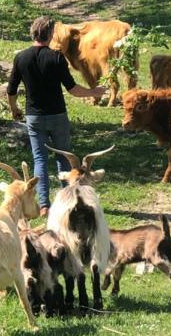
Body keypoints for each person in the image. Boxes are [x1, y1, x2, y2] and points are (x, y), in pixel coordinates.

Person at [7, 16, 106, 216]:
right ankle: (66, 200)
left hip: (34, 117)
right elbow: (73, 89)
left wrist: (14, 109)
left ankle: (43, 205)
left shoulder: (21, 58)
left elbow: (11, 89)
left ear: (32, 33)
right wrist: (93, 92)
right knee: (64, 157)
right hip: (57, 115)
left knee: (40, 159)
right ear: (51, 35)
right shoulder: (57, 58)